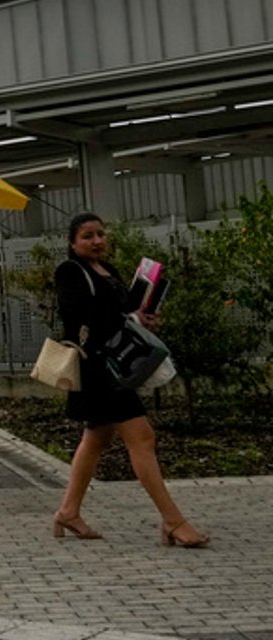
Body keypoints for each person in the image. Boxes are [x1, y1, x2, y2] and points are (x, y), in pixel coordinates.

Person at [51, 213, 209, 547]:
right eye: (87, 236)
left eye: (100, 234)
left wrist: (143, 318)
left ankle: (68, 511)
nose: (96, 241)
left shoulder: (109, 270)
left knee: (95, 439)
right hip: (97, 369)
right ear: (72, 242)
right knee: (142, 438)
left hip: (114, 366)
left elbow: (123, 313)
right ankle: (172, 520)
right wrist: (129, 317)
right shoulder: (69, 272)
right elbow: (82, 316)